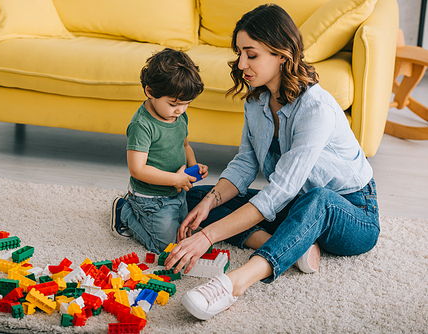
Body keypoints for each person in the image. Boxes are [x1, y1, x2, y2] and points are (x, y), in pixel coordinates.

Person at [164, 4, 380, 321]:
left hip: (351, 212)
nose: (241, 64)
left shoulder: (315, 108)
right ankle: (293, 244)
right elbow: (244, 165)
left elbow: (280, 190)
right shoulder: (257, 99)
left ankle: (238, 281)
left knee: (318, 199)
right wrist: (211, 201)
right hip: (294, 204)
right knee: (193, 196)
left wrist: (209, 236)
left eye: (251, 55)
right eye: (239, 53)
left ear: (281, 53)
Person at [111, 48, 209, 254]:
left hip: (177, 191)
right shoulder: (142, 125)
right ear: (150, 92)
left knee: (185, 234)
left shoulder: (179, 116)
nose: (180, 110)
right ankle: (124, 211)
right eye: (174, 104)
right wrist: (175, 179)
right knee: (165, 248)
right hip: (151, 198)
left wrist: (193, 166)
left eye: (186, 104)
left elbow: (184, 146)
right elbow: (137, 169)